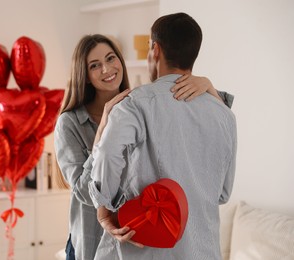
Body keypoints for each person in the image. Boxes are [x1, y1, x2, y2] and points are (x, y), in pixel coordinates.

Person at [54, 34, 233, 260]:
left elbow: (197, 121)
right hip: (91, 243)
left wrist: (208, 87)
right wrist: (101, 135)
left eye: (111, 58)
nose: (107, 69)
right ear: (85, 75)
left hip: (136, 241)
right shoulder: (69, 123)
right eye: (95, 65)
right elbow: (81, 190)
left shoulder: (138, 105)